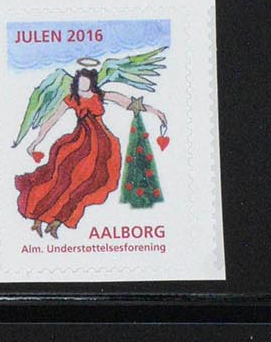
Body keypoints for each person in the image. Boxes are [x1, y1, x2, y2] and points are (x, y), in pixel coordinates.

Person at [15, 57, 168, 240]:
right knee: (60, 179)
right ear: (76, 81)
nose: (84, 83)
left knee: (89, 184)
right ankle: (38, 217)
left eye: (87, 80)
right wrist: (36, 142)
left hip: (102, 146)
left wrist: (155, 111)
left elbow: (127, 102)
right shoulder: (71, 99)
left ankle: (58, 220)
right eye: (81, 80)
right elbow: (52, 120)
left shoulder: (100, 95)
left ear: (92, 81)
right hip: (79, 144)